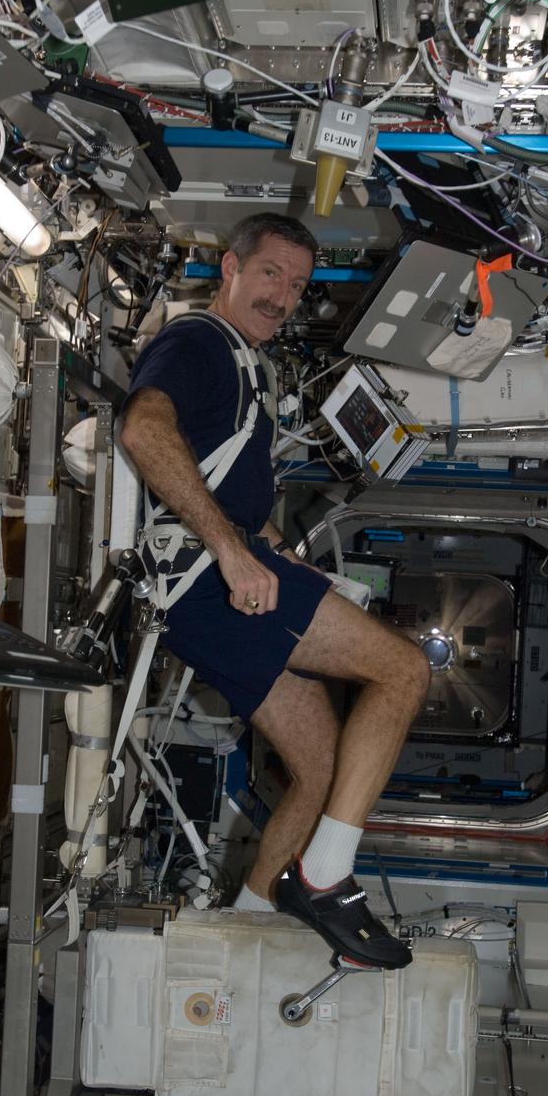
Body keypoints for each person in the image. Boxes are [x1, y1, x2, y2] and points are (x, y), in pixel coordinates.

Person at [121, 213, 430, 969]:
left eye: (296, 286)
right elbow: (142, 430)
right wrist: (230, 551)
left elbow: (213, 477)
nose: (283, 296)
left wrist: (262, 547)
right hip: (203, 582)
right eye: (270, 275)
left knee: (319, 767)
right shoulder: (197, 343)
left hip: (212, 583)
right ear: (230, 266)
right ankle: (325, 879)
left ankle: (248, 927)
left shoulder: (249, 366)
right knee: (405, 670)